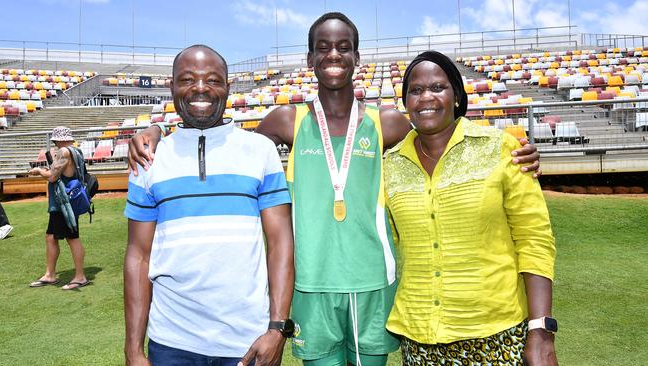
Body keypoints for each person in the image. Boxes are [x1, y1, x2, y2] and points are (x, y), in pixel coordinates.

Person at [128, 13, 541, 366]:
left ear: (357, 57)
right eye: (323, 47)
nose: (333, 55)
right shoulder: (287, 120)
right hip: (310, 285)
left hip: (373, 282)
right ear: (309, 58)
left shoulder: (387, 123)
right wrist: (157, 129)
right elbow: (226, 143)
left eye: (344, 46)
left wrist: (512, 147)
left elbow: (441, 133)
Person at [123, 44, 294, 366]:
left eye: (213, 80)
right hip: (171, 341)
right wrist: (133, 349)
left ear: (228, 87)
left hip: (248, 340)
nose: (200, 88)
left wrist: (276, 329)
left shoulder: (260, 151)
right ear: (172, 86)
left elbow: (281, 243)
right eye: (187, 79)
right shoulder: (148, 157)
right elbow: (138, 255)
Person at [383, 50, 557, 365]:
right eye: (416, 90)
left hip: (496, 337)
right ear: (406, 103)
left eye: (438, 87)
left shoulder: (503, 148)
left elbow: (535, 240)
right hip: (419, 341)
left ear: (457, 97)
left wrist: (541, 331)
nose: (426, 97)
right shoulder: (389, 166)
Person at [28, 126, 90, 290]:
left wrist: (39, 171)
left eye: (55, 141)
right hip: (63, 203)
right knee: (51, 237)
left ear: (59, 139)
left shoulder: (64, 152)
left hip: (64, 203)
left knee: (72, 238)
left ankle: (80, 276)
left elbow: (53, 176)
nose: (54, 144)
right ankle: (50, 274)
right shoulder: (76, 151)